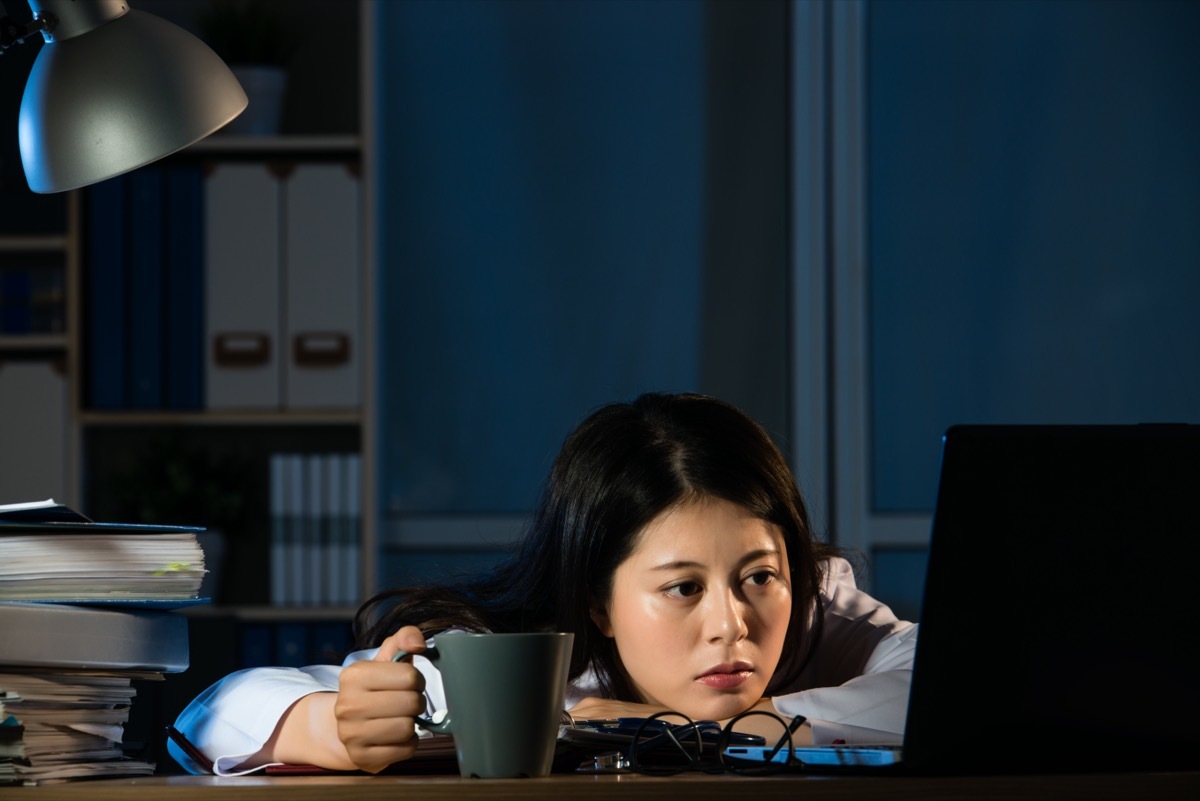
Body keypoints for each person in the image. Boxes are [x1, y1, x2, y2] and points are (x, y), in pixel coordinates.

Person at [170, 392, 917, 775]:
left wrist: (668, 732)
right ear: (599, 600)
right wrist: (333, 725)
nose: (732, 622)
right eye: (683, 587)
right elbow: (210, 712)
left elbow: (944, 686)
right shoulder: (517, 664)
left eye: (758, 575)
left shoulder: (819, 606)